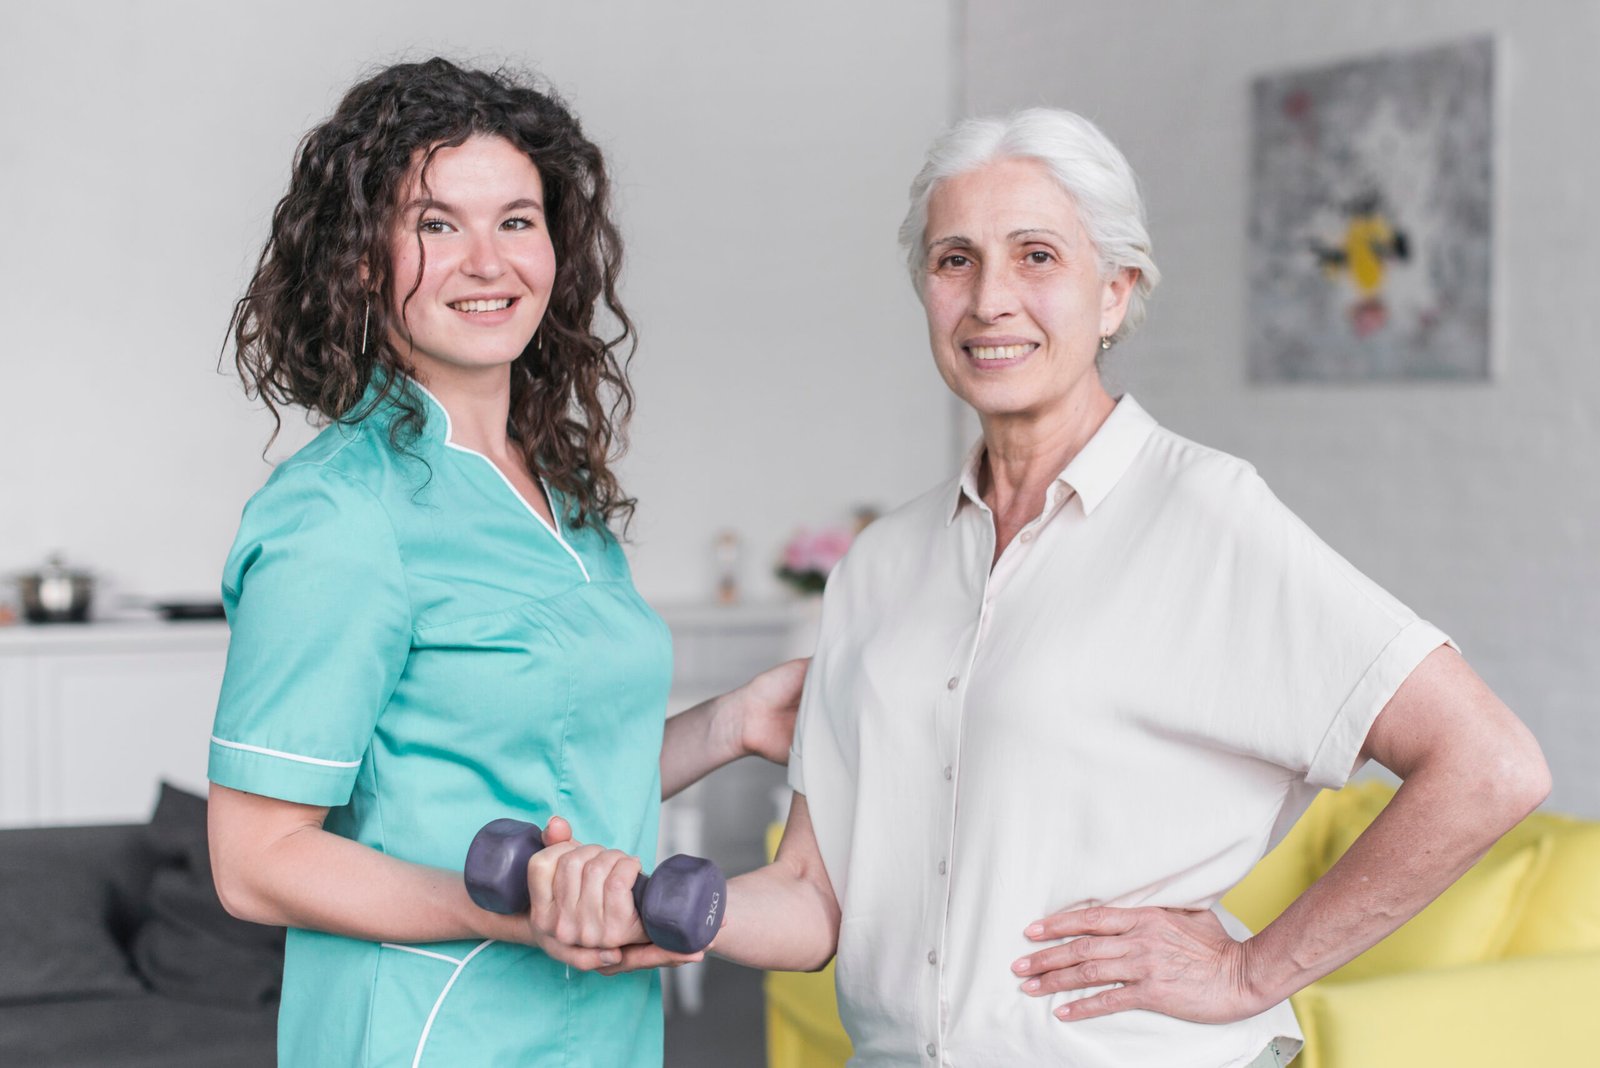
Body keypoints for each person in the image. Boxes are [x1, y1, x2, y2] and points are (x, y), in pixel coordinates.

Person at [549, 109, 1552, 1068]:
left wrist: (1251, 971)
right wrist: (674, 910)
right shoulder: (882, 564)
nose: (989, 299)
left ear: (1114, 291)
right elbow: (818, 895)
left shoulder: (1206, 518)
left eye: (1037, 255)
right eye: (955, 261)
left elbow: (1488, 764)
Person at [206, 58, 804, 1068]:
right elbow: (254, 863)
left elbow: (554, 770)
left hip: (596, 1025)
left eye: (516, 221)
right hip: (428, 1028)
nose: (487, 262)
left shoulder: (555, 490)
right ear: (360, 259)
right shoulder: (339, 513)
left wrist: (735, 724)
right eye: (436, 225)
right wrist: (505, 913)